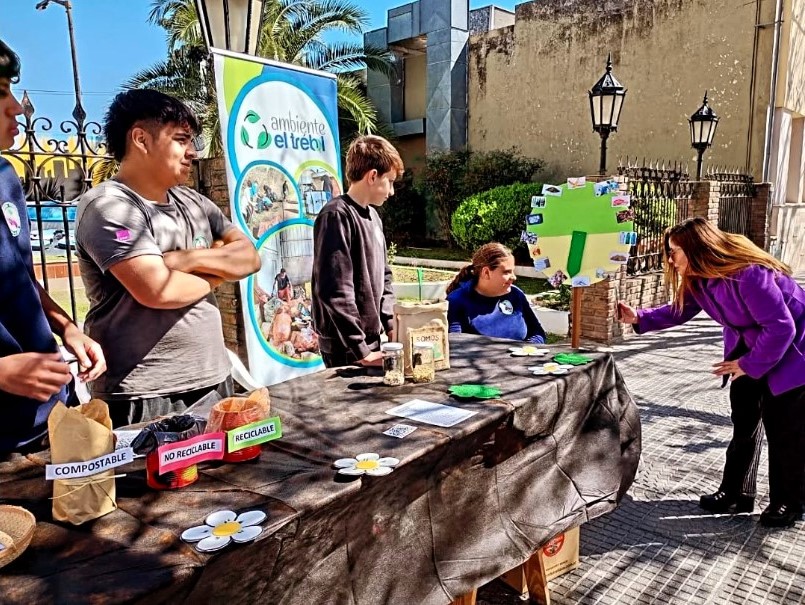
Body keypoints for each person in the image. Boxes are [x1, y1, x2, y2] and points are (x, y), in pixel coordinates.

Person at [76, 89, 260, 427]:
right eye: (180, 139)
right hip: (144, 393)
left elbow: (249, 257)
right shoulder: (110, 206)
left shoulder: (193, 202)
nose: (192, 152)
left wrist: (186, 260)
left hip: (213, 379)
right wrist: (219, 269)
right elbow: (159, 291)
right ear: (141, 139)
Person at [618, 217, 805, 528]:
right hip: (750, 351)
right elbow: (679, 310)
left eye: (674, 251)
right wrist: (639, 317)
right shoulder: (699, 278)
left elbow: (781, 327)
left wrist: (748, 365)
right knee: (744, 423)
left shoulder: (748, 275)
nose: (670, 258)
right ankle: (736, 493)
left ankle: (789, 501)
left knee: (785, 431)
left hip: (793, 352)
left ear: (698, 249)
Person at [0, 39, 106, 454]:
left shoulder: (6, 176)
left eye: (10, 91)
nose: (16, 108)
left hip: (44, 423)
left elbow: (21, 278)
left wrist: (68, 328)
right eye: (0, 94)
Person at [311, 135, 403, 368]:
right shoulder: (336, 215)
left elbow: (385, 276)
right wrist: (360, 350)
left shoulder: (374, 217)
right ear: (372, 176)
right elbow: (335, 289)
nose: (391, 192)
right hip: (345, 347)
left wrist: (390, 324)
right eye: (390, 181)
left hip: (370, 341)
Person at [446, 243, 547, 344]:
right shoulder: (456, 301)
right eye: (507, 272)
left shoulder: (517, 295)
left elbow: (537, 333)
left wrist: (528, 349)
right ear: (486, 272)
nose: (514, 277)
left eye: (513, 271)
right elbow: (455, 344)